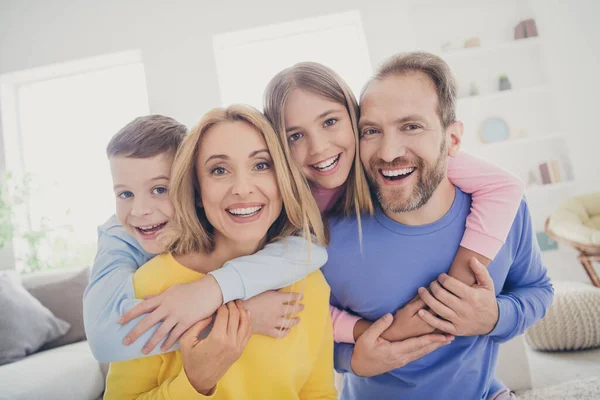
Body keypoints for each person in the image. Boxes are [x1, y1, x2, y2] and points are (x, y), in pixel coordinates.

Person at [321, 52, 554, 399]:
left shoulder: (505, 213)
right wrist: (351, 359)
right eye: (371, 131)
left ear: (453, 140)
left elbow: (538, 290)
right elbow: (302, 333)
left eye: (411, 126)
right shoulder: (330, 236)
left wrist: (494, 317)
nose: (387, 152)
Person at [263, 61, 526, 345]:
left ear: (355, 120)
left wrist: (454, 292)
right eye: (295, 136)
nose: (318, 147)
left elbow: (504, 186)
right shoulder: (285, 207)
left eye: (329, 122)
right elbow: (297, 307)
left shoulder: (389, 161)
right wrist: (381, 334)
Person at [104, 105, 339, 399]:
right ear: (196, 191)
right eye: (219, 170)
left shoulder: (310, 283)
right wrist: (195, 382)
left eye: (261, 165)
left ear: (283, 180)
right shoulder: (150, 286)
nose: (242, 188)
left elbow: (319, 395)